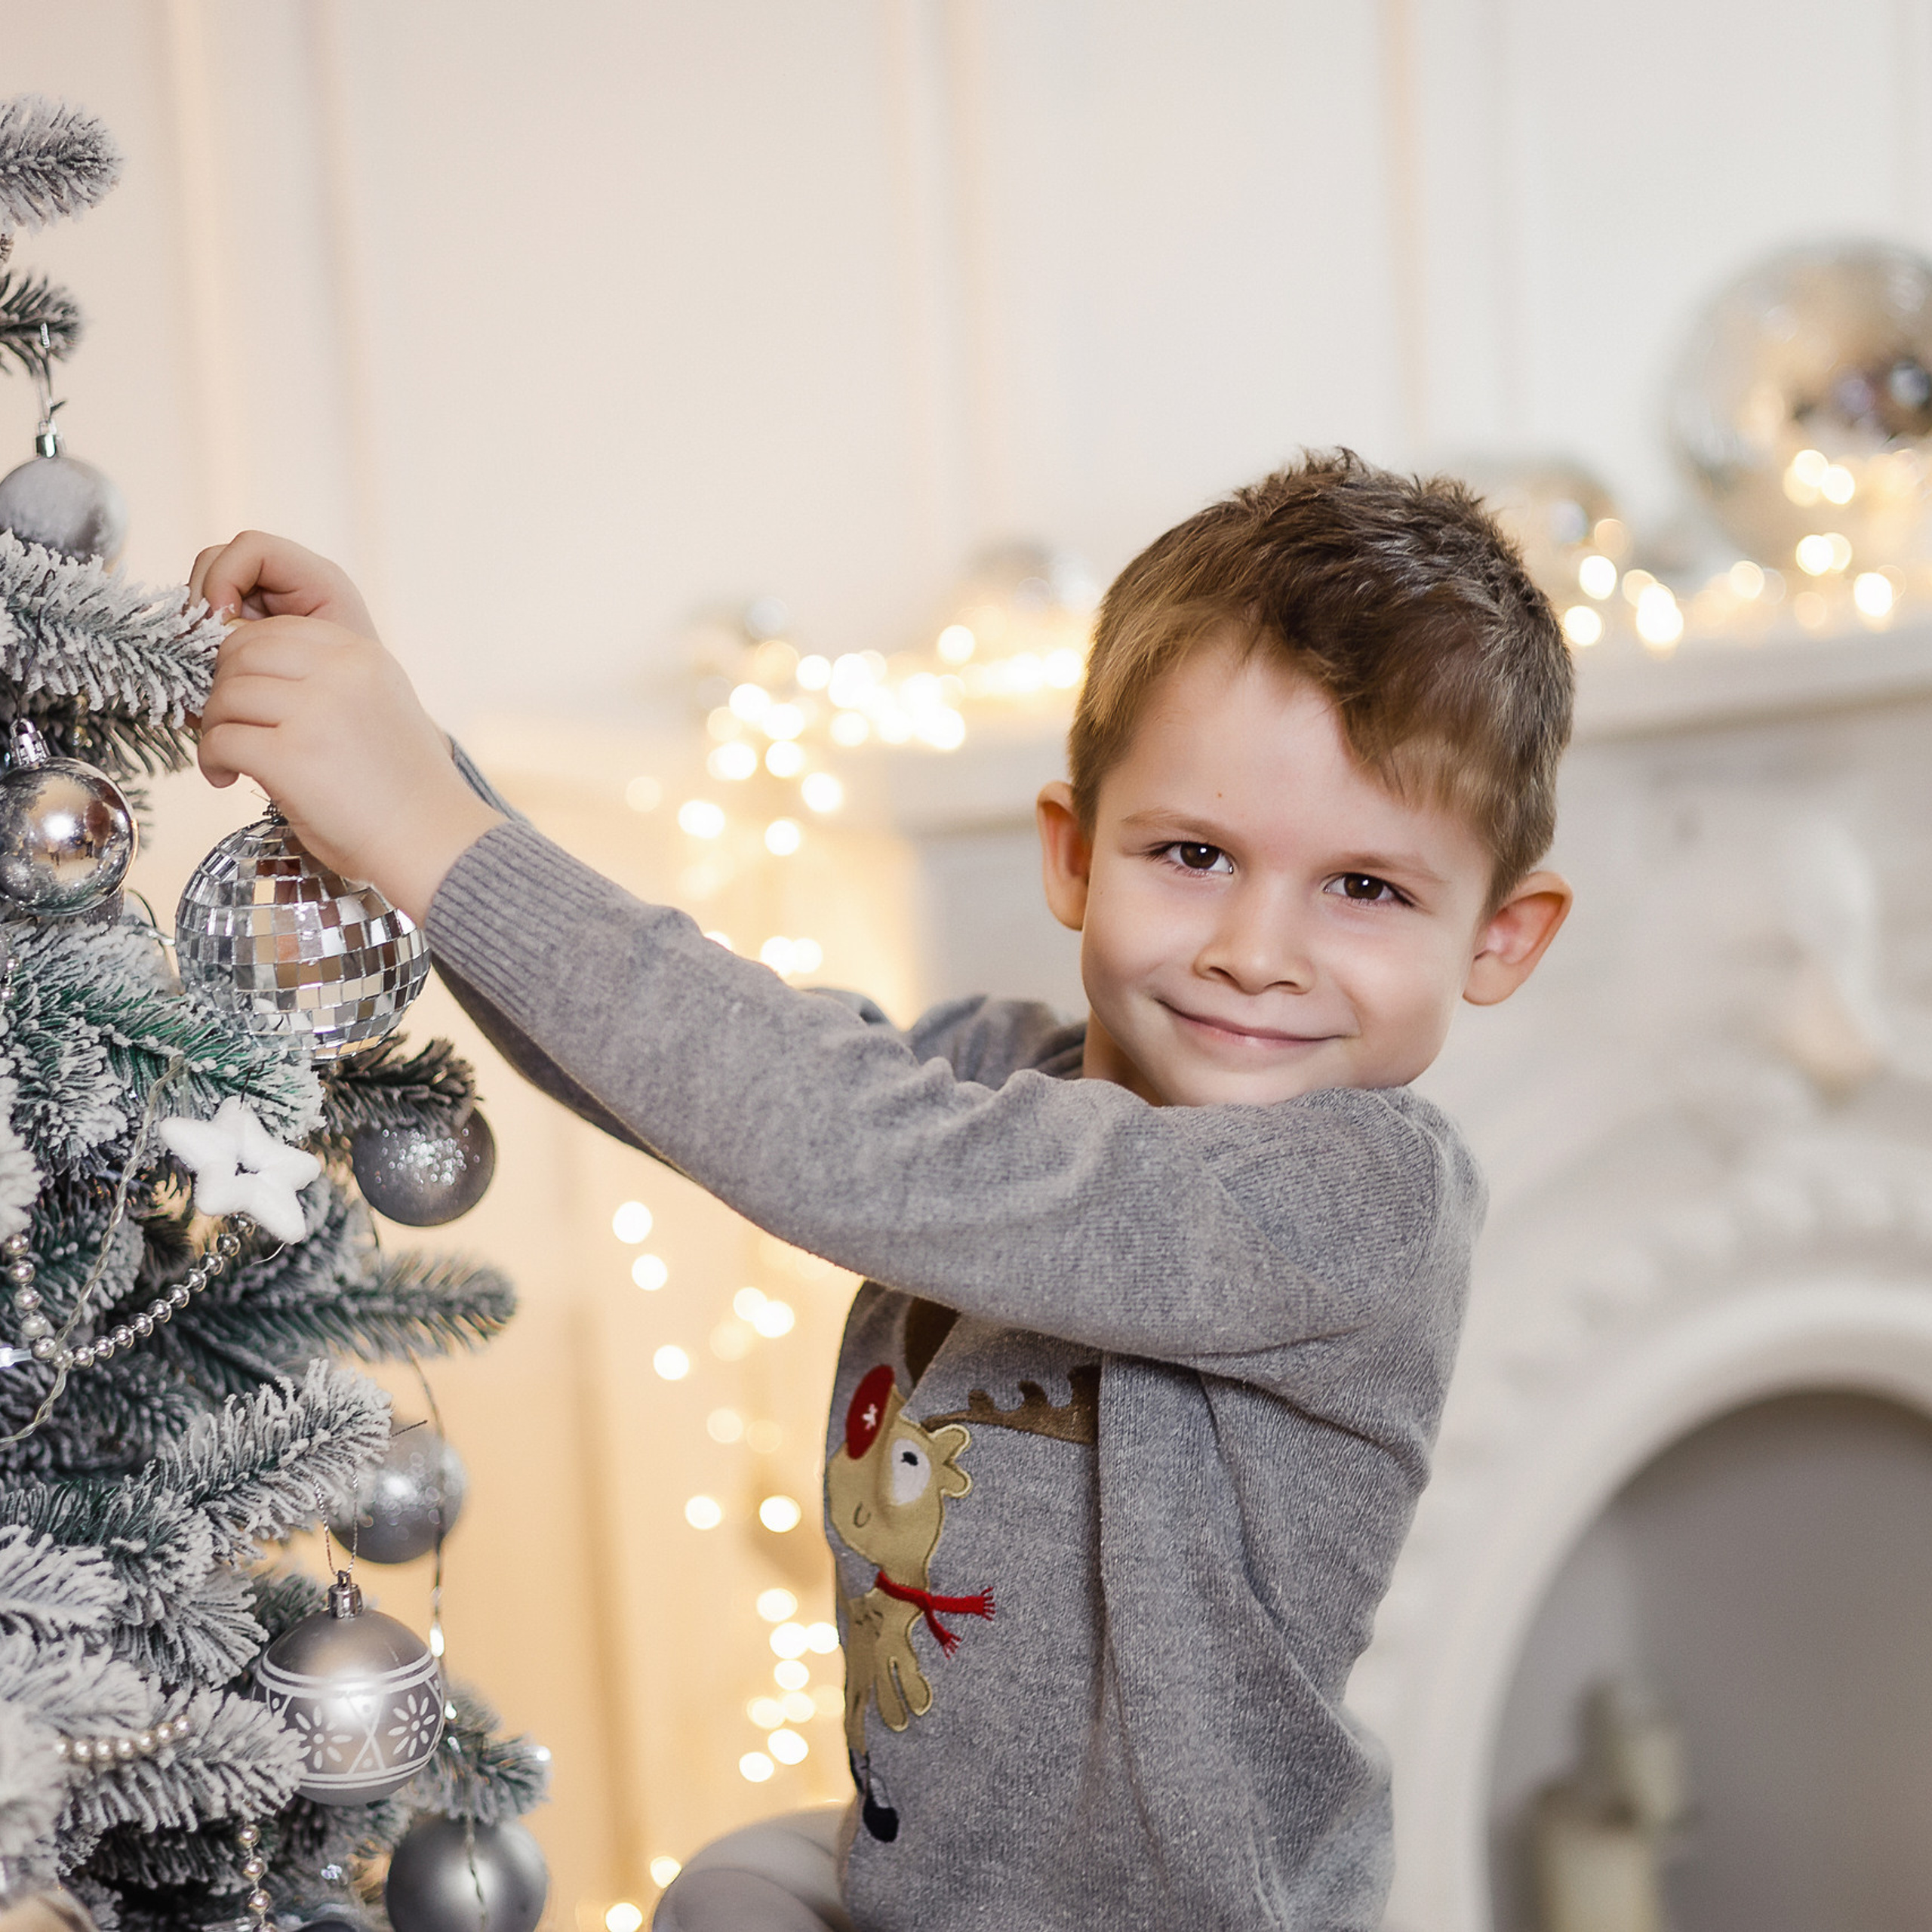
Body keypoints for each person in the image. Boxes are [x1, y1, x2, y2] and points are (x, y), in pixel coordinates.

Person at [189, 451, 1574, 1932]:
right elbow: (695, 1073)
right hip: (929, 1870)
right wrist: (398, 778)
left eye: (1363, 886)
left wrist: (420, 819)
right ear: (1073, 852)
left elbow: (839, 1135)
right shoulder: (984, 1072)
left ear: (1498, 938)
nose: (1256, 944)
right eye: (1191, 852)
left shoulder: (1362, 1197)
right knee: (723, 1892)